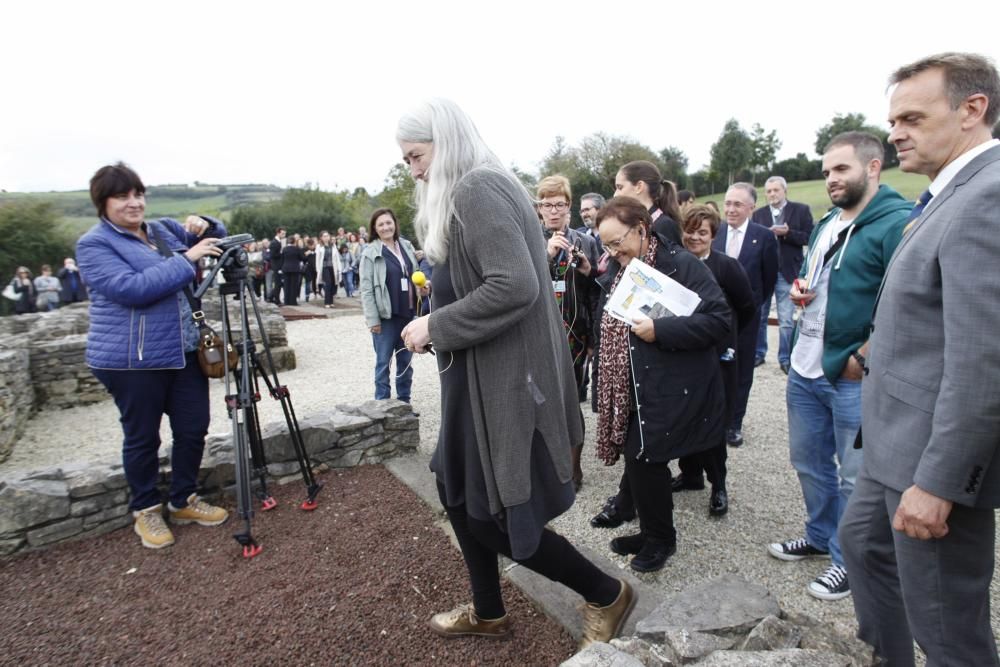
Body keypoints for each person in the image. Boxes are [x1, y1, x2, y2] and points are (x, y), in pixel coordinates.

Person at [397, 98, 634, 649]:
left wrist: (436, 324)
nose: (414, 170)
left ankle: (605, 592)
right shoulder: (476, 186)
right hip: (477, 378)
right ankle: (488, 610)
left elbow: (514, 285)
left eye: (416, 156)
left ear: (446, 141)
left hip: (503, 383)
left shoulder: (476, 189)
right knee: (453, 486)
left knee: (496, 515)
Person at [839, 52, 1000, 666]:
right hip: (890, 444)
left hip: (927, 456)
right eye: (893, 119)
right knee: (863, 546)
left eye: (911, 116)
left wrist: (938, 483)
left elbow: (983, 363)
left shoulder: (986, 196)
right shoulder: (944, 193)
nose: (895, 132)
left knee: (947, 628)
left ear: (972, 109)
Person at [767, 132, 910, 602]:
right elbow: (819, 280)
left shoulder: (897, 223)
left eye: (841, 169)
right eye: (827, 171)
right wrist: (799, 292)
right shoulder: (828, 220)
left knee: (855, 475)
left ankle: (849, 560)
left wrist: (862, 357)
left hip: (850, 375)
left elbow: (908, 307)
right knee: (808, 463)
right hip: (805, 369)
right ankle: (819, 535)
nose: (831, 179)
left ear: (872, 167)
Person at [75, 162, 229, 550]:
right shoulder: (94, 245)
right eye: (123, 196)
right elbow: (133, 289)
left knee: (193, 428)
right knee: (142, 437)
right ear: (103, 202)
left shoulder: (160, 230)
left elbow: (219, 237)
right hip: (131, 360)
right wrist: (187, 258)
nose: (134, 203)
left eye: (138, 194)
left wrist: (203, 222)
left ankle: (183, 499)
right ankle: (145, 509)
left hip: (183, 351)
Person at [591, 196, 730, 571]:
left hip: (669, 384)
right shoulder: (621, 269)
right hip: (632, 386)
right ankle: (651, 531)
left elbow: (720, 321)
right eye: (606, 244)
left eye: (617, 241)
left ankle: (660, 540)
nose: (612, 251)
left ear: (641, 228)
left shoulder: (679, 264)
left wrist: (661, 330)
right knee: (638, 462)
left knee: (646, 459)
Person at [674, 205, 756, 518]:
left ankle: (718, 484)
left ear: (713, 236)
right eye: (690, 230)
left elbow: (747, 308)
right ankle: (690, 474)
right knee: (685, 416)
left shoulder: (727, 267)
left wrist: (729, 339)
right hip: (683, 354)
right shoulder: (676, 265)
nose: (694, 237)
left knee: (712, 421)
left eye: (702, 232)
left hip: (718, 357)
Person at [538, 174, 599, 487]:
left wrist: (588, 271)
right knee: (541, 401)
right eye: (547, 204)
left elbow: (595, 291)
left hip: (574, 334)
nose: (553, 211)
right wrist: (545, 254)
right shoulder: (531, 240)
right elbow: (524, 284)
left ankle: (574, 469)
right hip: (539, 335)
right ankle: (547, 466)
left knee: (572, 401)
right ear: (539, 209)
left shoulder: (585, 240)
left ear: (569, 207)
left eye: (559, 204)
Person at [712, 183, 779, 447]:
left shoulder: (763, 236)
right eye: (728, 203)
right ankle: (713, 419)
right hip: (713, 316)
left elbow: (768, 279)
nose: (730, 209)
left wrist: (750, 310)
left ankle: (733, 423)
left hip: (747, 318)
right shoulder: (715, 232)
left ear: (751, 207)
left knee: (740, 371)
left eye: (737, 204)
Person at [751, 177, 814, 373]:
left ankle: (785, 359)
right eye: (769, 191)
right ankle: (758, 354)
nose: (772, 194)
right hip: (763, 272)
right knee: (759, 316)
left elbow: (809, 237)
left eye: (776, 190)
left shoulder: (800, 210)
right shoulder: (758, 214)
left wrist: (787, 234)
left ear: (784, 191)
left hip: (787, 272)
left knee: (786, 320)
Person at [359, 207, 420, 402]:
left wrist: (423, 286)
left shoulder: (406, 246)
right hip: (385, 318)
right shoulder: (370, 253)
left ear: (395, 223)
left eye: (388, 222)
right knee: (383, 363)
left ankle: (404, 403)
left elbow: (416, 273)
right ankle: (382, 406)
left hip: (407, 315)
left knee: (405, 363)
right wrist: (372, 319)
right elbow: (366, 290)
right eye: (381, 224)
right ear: (375, 229)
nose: (386, 227)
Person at [613, 161, 682, 245]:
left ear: (639, 187)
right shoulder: (639, 223)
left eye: (620, 187)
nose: (615, 195)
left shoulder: (663, 225)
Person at [315, 231, 342, 308]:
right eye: (324, 236)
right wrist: (318, 270)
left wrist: (339, 269)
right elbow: (317, 259)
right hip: (324, 267)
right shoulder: (319, 246)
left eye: (327, 236)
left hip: (333, 267)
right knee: (328, 283)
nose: (326, 237)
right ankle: (327, 302)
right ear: (321, 238)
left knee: (333, 284)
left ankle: (331, 302)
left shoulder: (333, 245)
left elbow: (337, 258)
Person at [281, 236, 306, 306]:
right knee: (293, 286)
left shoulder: (284, 249)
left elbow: (282, 259)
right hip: (294, 269)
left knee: (286, 285)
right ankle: (293, 301)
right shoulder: (297, 249)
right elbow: (302, 258)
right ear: (294, 242)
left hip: (286, 268)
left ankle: (286, 301)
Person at [268, 228, 286, 304]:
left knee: (279, 283)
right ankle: (276, 300)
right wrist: (281, 252)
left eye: (284, 234)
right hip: (276, 266)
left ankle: (271, 297)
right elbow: (272, 255)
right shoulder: (274, 242)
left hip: (279, 265)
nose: (284, 235)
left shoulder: (278, 242)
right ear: (278, 233)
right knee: (278, 283)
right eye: (282, 233)